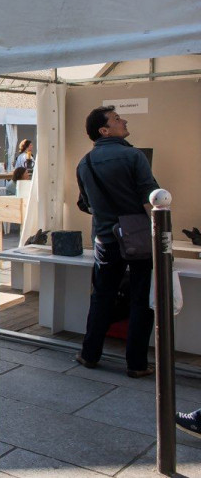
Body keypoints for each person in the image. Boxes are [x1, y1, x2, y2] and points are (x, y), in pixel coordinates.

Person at [75, 106, 158, 378]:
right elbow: (150, 199)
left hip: (105, 238)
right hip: (137, 238)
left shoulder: (84, 163)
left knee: (102, 297)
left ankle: (89, 354)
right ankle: (136, 364)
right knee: (141, 298)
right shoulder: (134, 156)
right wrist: (160, 234)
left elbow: (84, 204)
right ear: (104, 130)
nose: (124, 121)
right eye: (117, 119)